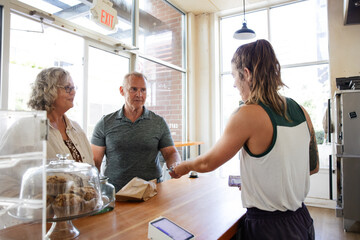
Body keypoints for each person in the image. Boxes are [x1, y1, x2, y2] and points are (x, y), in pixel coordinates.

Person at [173, 39, 319, 240]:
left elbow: (208, 163)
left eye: (234, 75)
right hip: (302, 221)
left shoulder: (247, 114)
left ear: (247, 74)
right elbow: (312, 167)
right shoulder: (301, 111)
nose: (234, 84)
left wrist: (183, 166)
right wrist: (262, 182)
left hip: (269, 229)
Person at [91, 72, 181, 192]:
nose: (139, 94)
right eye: (134, 89)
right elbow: (95, 161)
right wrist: (92, 188)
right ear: (122, 90)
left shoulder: (158, 122)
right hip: (116, 193)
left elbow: (170, 153)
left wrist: (175, 166)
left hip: (151, 191)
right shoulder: (105, 123)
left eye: (143, 90)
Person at [28, 67, 94, 164]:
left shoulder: (76, 128)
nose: (73, 92)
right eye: (68, 88)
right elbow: (7, 174)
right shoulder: (29, 128)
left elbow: (91, 166)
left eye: (73, 88)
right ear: (49, 90)